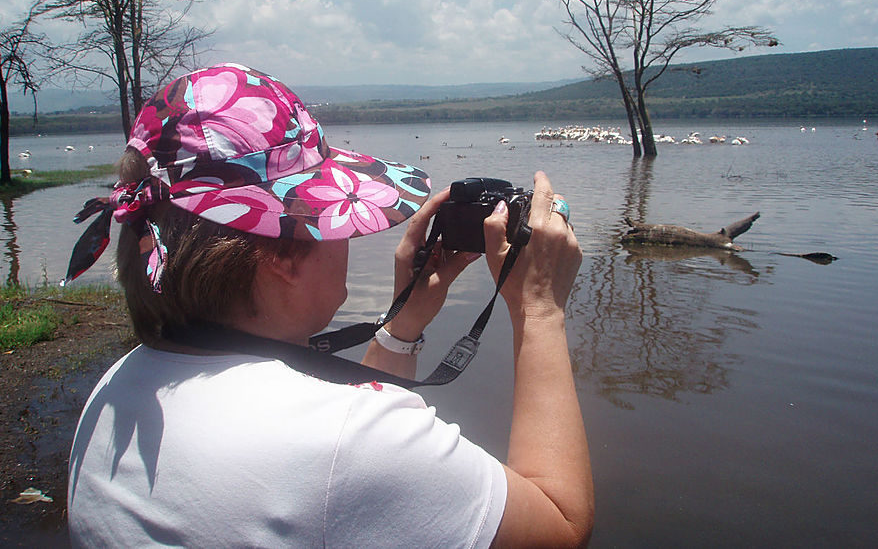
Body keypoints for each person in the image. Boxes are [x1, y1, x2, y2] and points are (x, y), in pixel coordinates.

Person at [64, 63, 593, 548]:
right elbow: (560, 525)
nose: (346, 239)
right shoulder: (345, 445)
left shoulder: (116, 389)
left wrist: (403, 324)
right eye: (329, 218)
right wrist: (540, 309)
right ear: (282, 253)